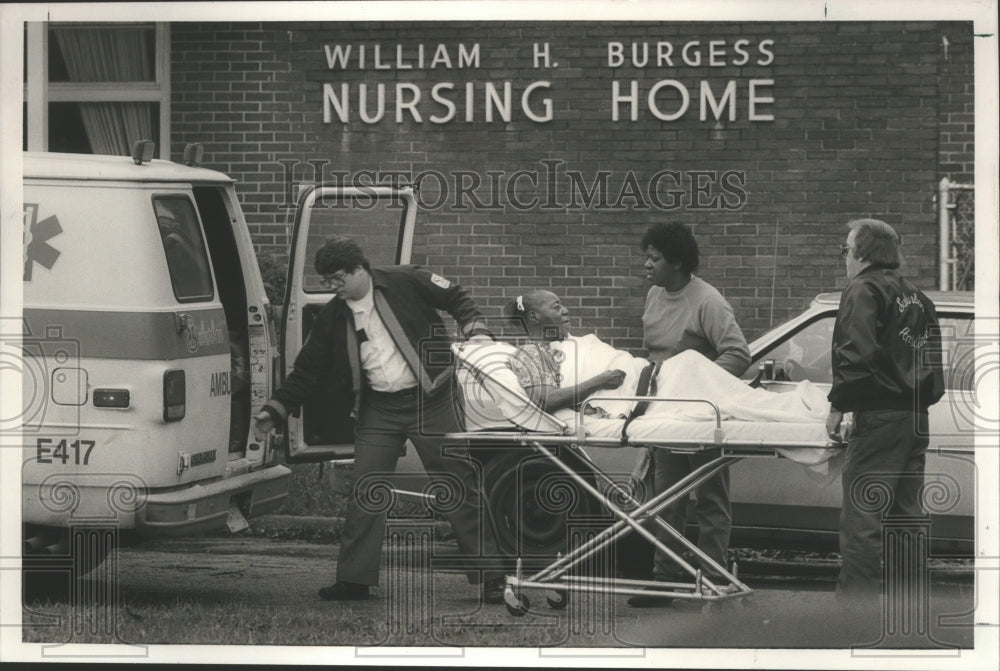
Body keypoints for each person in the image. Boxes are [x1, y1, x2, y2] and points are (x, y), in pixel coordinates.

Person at [253, 237, 507, 603]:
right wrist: (275, 409)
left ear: (360, 269)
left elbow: (456, 297)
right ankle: (354, 581)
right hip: (379, 409)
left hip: (431, 399)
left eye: (337, 278)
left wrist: (476, 329)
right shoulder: (333, 315)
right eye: (326, 281)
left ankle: (492, 577)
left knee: (457, 483)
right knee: (365, 488)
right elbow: (307, 371)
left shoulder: (405, 279)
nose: (331, 287)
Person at [630, 222, 751, 607]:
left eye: (655, 258)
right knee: (668, 498)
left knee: (710, 497)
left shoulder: (708, 301)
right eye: (646, 257)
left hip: (700, 413)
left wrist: (698, 384)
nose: (647, 265)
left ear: (678, 262)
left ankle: (713, 576)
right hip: (665, 412)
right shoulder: (653, 295)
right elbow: (655, 351)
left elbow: (738, 353)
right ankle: (665, 580)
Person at [826, 219, 944, 606]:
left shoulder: (863, 288)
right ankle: (908, 615)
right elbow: (932, 365)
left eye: (846, 250)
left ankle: (853, 618)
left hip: (878, 418)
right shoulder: (917, 296)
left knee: (863, 520)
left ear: (862, 253)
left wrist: (838, 406)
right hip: (915, 417)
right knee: (906, 519)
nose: (844, 259)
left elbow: (855, 355)